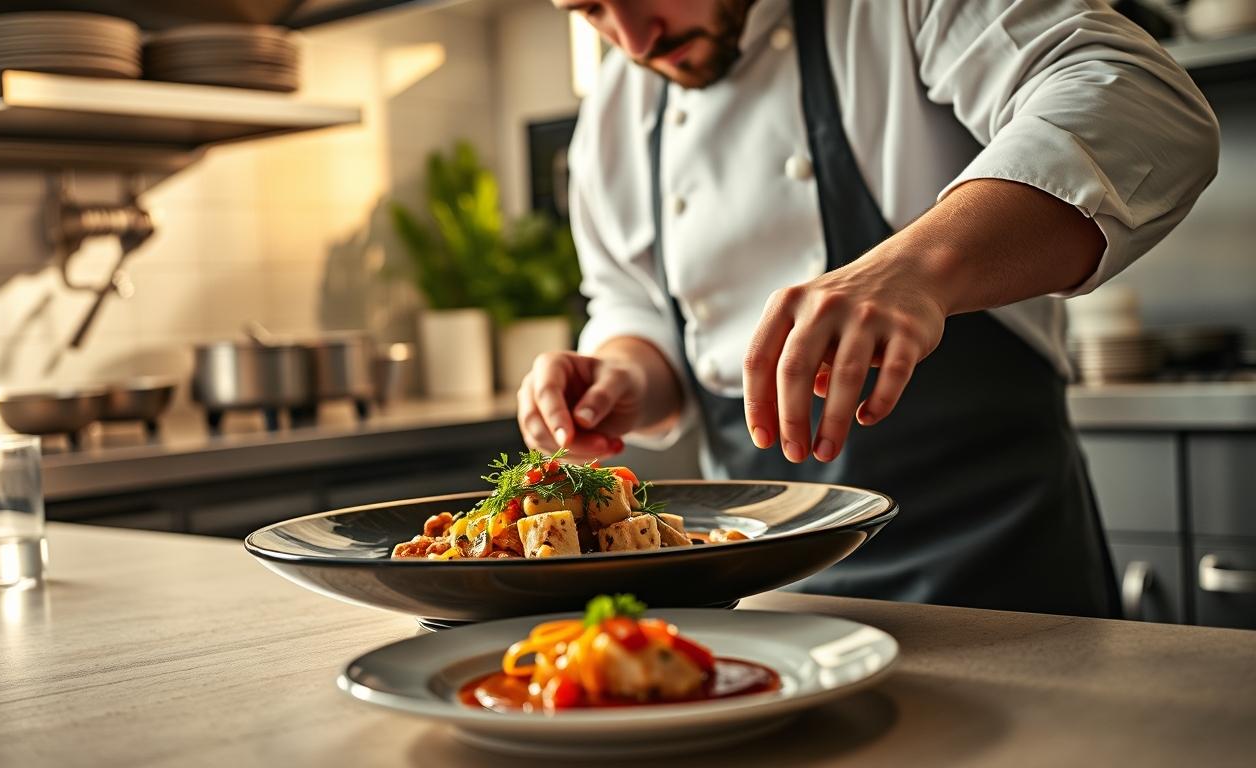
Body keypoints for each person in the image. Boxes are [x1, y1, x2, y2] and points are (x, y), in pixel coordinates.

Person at [518, 0, 1219, 617]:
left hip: (993, 578)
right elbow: (632, 303)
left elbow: (1138, 100)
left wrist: (918, 266)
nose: (636, 39)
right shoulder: (615, 110)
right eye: (591, 11)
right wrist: (620, 375)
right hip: (765, 598)